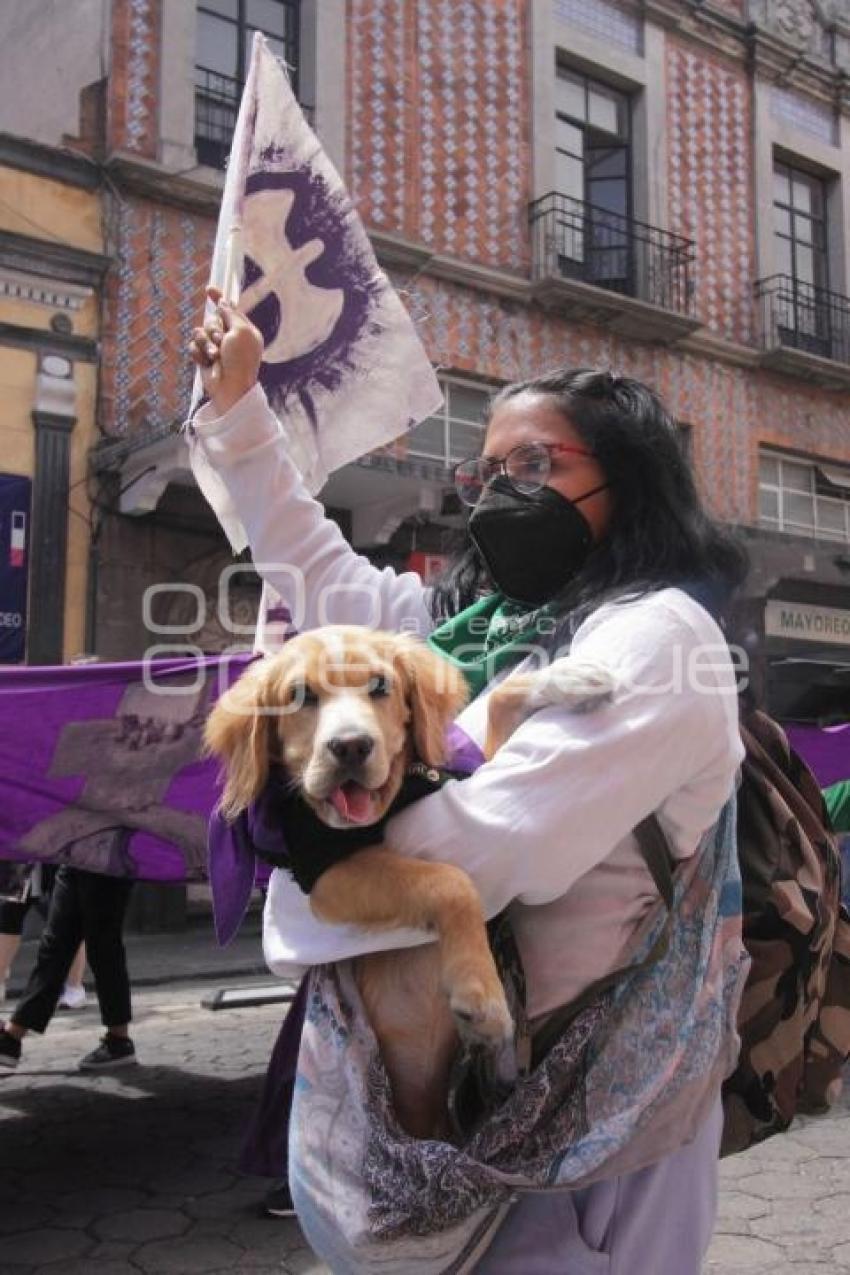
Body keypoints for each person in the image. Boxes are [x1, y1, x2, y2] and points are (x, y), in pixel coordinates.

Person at [187, 296, 747, 1273]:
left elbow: (482, 848)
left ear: (631, 481)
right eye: (489, 470)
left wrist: (303, 864)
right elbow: (317, 566)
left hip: (594, 1102)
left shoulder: (657, 637)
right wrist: (240, 410)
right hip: (472, 1099)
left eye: (538, 465)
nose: (503, 490)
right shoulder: (471, 626)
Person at [0, 866, 136, 1072]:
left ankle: (119, 1039)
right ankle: (12, 1038)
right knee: (56, 942)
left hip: (106, 857)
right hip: (75, 857)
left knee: (102, 945)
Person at [0, 863, 87, 1008]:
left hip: (57, 854)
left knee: (66, 917)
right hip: (20, 851)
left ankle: (74, 986)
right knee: (8, 913)